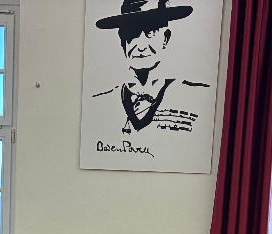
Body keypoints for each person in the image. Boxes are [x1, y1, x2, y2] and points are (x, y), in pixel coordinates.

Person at [91, 1, 214, 137]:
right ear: (122, 41)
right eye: (132, 33)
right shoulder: (99, 103)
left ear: (165, 38)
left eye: (151, 32)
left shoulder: (198, 97)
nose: (141, 46)